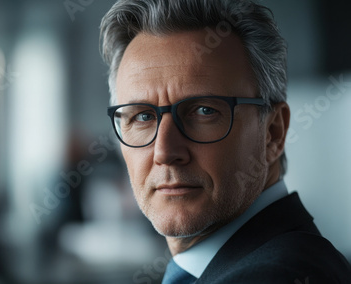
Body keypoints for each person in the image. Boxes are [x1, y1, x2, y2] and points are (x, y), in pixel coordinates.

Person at [100, 0, 351, 283]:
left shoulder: (275, 276)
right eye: (142, 116)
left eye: (204, 111)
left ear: (273, 133)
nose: (165, 151)